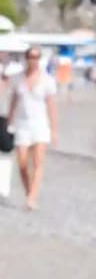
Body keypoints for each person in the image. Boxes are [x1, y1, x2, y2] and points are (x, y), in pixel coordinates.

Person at [7, 46, 57, 210]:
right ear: (26, 58)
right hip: (22, 124)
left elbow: (51, 106)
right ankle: (29, 192)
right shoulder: (18, 79)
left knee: (37, 162)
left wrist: (54, 129)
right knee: (22, 163)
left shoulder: (47, 80)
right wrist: (9, 120)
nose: (33, 60)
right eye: (31, 57)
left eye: (36, 57)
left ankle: (32, 197)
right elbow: (13, 101)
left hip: (40, 124)